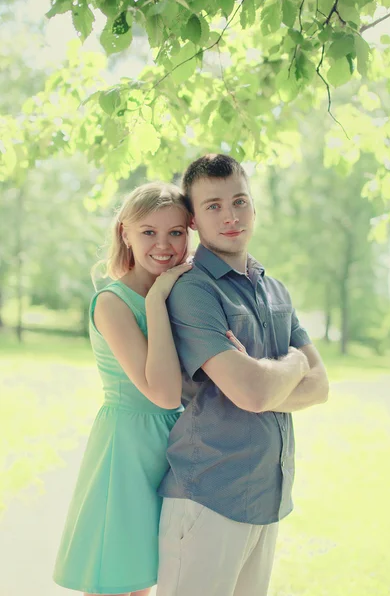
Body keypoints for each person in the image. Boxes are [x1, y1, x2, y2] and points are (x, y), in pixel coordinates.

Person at [156, 154, 330, 596]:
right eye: (213, 206)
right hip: (207, 498)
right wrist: (292, 364)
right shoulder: (194, 290)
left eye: (240, 201)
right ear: (193, 220)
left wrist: (261, 377)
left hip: (267, 495)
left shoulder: (274, 289)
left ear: (254, 206)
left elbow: (321, 386)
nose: (230, 216)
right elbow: (252, 393)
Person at [53, 182, 193, 596]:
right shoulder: (114, 303)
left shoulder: (181, 294)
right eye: (148, 232)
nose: (163, 245)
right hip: (127, 445)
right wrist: (154, 302)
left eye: (176, 232)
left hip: (174, 443)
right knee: (115, 576)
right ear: (124, 234)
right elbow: (164, 394)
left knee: (147, 578)